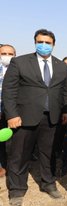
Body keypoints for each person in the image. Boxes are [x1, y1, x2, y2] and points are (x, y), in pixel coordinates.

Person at [2, 29, 67, 206]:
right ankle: (17, 189)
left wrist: (66, 111)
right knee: (19, 153)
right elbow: (9, 91)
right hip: (23, 118)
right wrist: (12, 114)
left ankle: (48, 183)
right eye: (40, 42)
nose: (44, 45)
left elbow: (66, 91)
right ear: (35, 42)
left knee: (48, 153)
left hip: (52, 118)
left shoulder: (61, 66)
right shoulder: (20, 62)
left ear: (53, 45)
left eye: (48, 43)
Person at [0, 44, 16, 177]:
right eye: (3, 53)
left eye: (10, 54)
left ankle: (10, 166)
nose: (7, 56)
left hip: (12, 114)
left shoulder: (19, 71)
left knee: (11, 143)